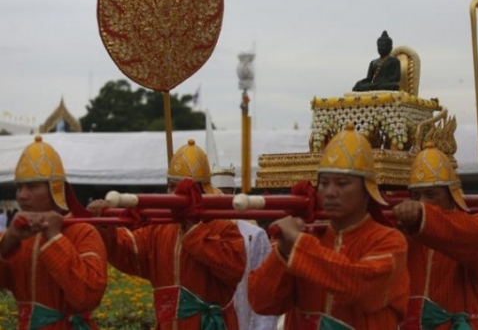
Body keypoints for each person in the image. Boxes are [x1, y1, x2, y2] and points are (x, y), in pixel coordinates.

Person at [248, 123, 409, 329]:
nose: (330, 192)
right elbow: (260, 302)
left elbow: (359, 287)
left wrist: (298, 243)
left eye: (342, 184)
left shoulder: (390, 241)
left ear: (367, 190)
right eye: (324, 184)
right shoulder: (310, 237)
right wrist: (282, 252)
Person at [88, 139, 246, 330]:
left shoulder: (222, 225)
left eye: (184, 189)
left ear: (201, 191)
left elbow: (233, 269)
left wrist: (193, 230)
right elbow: (129, 252)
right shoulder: (160, 226)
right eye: (172, 186)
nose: (175, 194)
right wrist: (105, 228)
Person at [0, 135, 107, 329]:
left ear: (55, 189)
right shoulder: (16, 236)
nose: (22, 195)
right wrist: (9, 239)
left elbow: (87, 297)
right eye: (19, 187)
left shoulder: (83, 232)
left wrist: (55, 237)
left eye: (32, 186)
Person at [392, 142, 478, 330]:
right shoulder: (406, 230)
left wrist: (423, 215)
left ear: (451, 195)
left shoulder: (476, 225)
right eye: (416, 196)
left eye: (431, 194)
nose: (422, 202)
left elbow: (477, 237)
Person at [211, 165, 278, 330]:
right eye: (215, 192)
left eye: (225, 192)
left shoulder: (254, 235)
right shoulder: (197, 234)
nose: (220, 197)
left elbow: (265, 291)